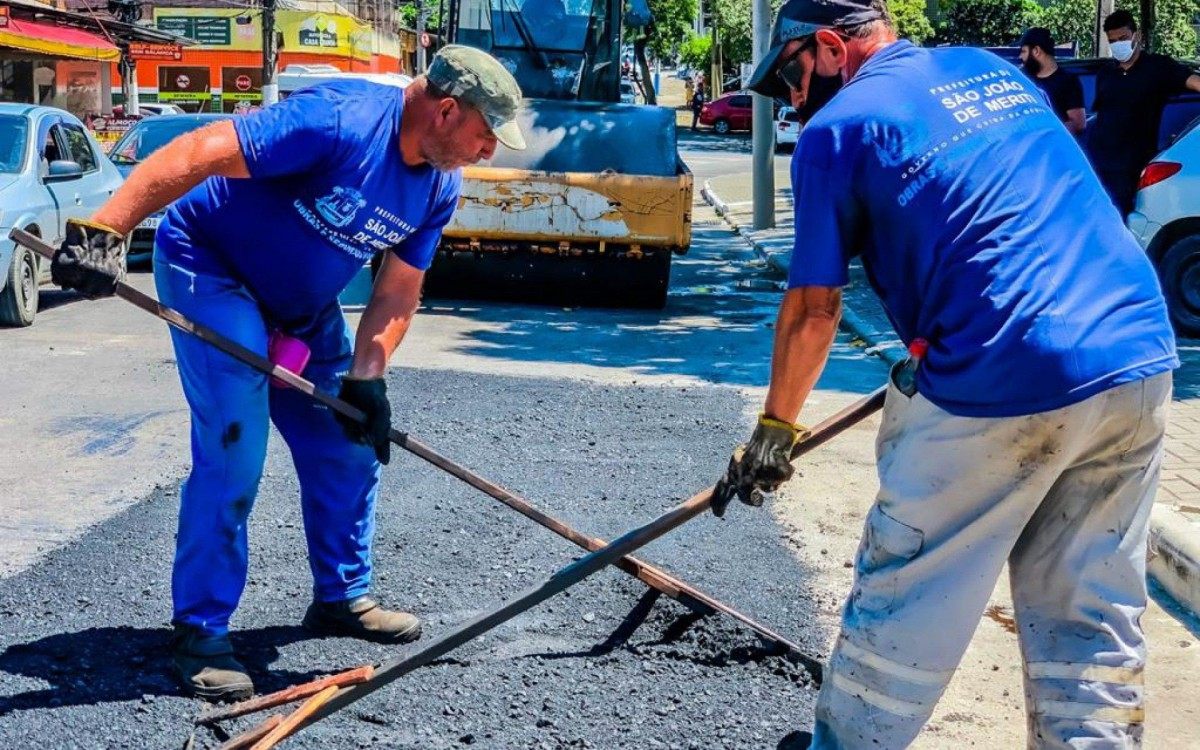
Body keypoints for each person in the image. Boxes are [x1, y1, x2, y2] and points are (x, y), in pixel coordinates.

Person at [716, 0, 1178, 746]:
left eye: (792, 81)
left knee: (911, 588)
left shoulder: (837, 132)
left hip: (1002, 370)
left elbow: (813, 308)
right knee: (1089, 607)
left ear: (831, 48)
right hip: (1136, 355)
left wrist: (774, 431)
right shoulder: (984, 70)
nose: (792, 104)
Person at [48, 45, 525, 702]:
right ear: (446, 111)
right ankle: (202, 630)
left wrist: (368, 377)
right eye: (485, 135)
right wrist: (105, 229)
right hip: (210, 266)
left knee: (350, 440)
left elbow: (397, 289)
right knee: (237, 447)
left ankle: (341, 596)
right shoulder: (338, 122)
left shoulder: (438, 185)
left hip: (301, 307)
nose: (488, 153)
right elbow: (201, 150)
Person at [1087, 10, 1200, 215]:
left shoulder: (1157, 67)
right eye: (1113, 41)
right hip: (1100, 163)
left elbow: (1194, 82)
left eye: (1123, 38)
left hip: (1132, 166)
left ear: (1136, 35)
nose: (1118, 45)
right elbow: (1100, 114)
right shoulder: (1106, 73)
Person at [1017, 27, 1085, 136]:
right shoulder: (1021, 79)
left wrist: (1044, 132)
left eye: (1024, 51)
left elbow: (1078, 124)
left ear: (1036, 51)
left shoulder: (1068, 81)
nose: (1021, 56)